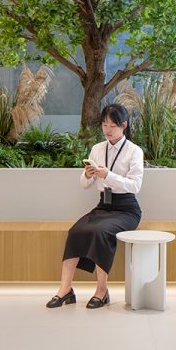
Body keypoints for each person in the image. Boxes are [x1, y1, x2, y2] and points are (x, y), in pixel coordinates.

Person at [46, 103, 143, 309]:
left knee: (100, 232)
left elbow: (135, 186)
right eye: (104, 125)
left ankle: (102, 290)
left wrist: (108, 175)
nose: (108, 130)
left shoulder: (134, 151)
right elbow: (85, 185)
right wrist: (88, 175)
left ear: (124, 125)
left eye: (112, 126)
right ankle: (65, 289)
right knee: (75, 231)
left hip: (126, 209)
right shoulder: (98, 149)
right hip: (103, 205)